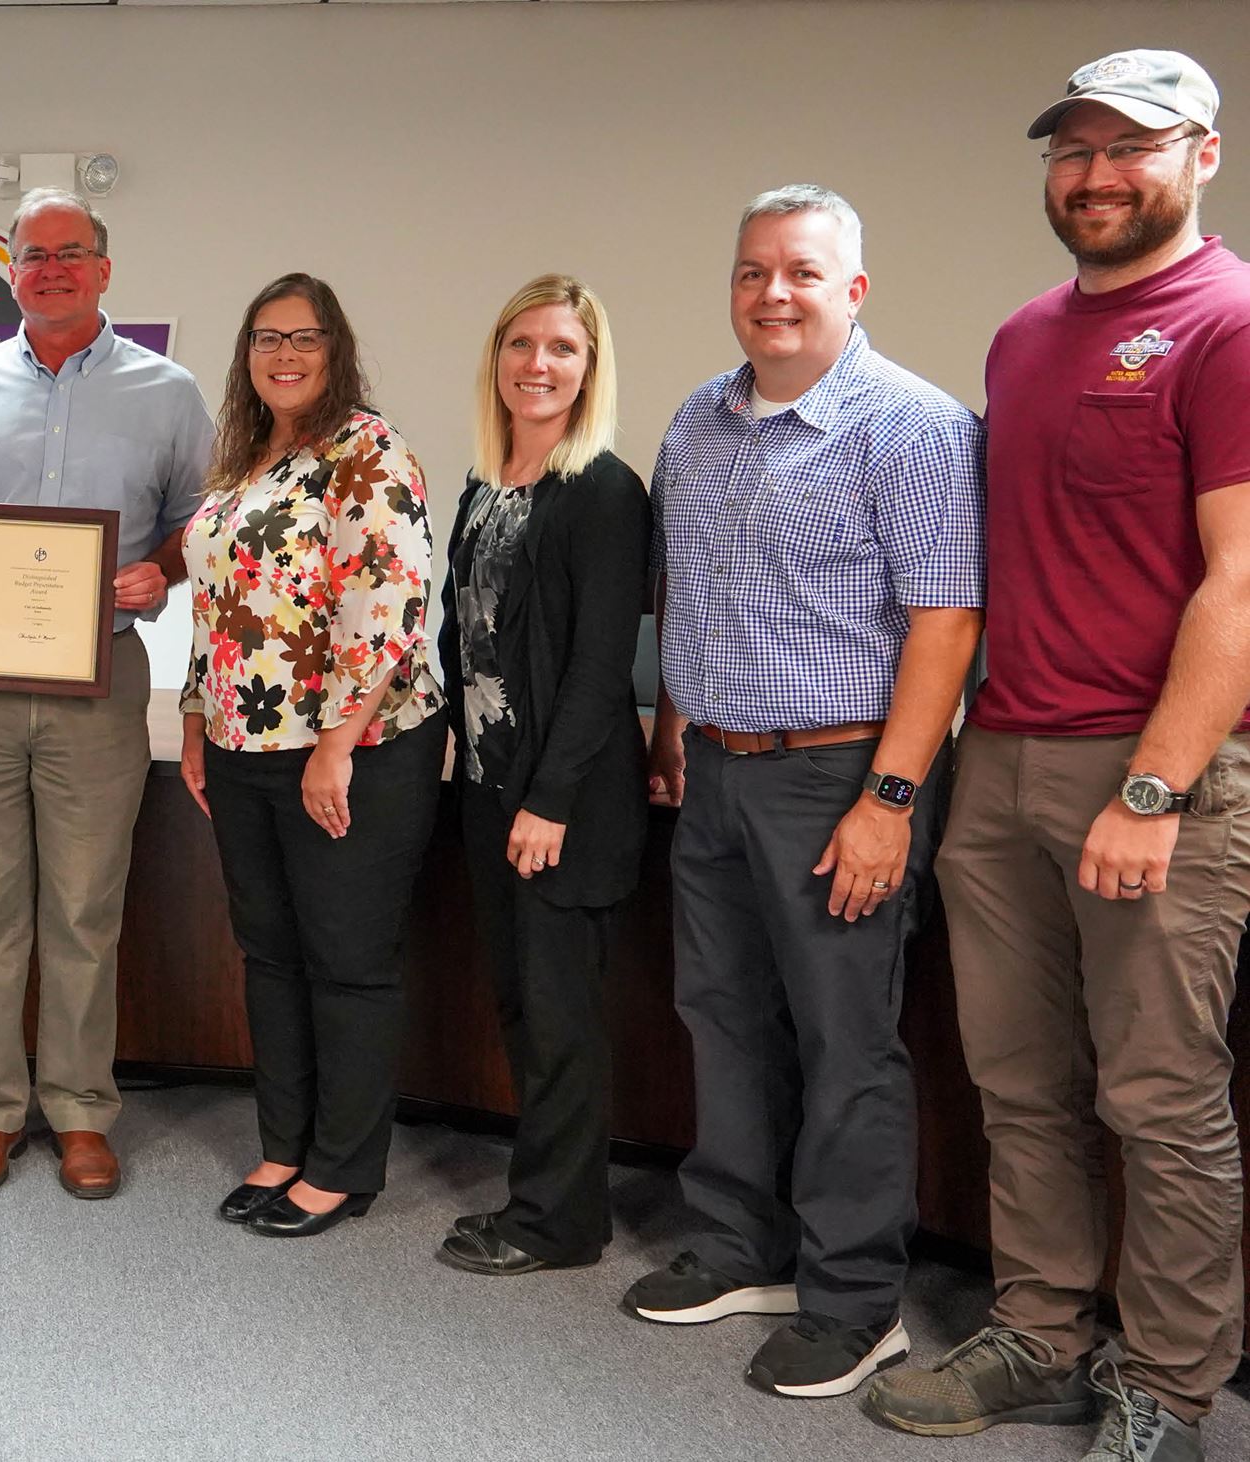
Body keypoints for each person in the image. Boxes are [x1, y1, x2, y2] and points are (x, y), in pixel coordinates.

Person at [863, 51, 1248, 1462]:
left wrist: (1156, 788)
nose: (1094, 172)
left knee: (1157, 1095)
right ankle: (1042, 1328)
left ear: (1201, 155)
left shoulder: (1231, 320)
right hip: (1004, 760)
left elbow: (1242, 580)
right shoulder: (1023, 336)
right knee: (1018, 1079)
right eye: (1072, 148)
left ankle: (1172, 1383)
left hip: (1152, 777)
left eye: (1128, 146)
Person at [631, 185, 984, 1400]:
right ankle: (743, 1244)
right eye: (749, 273)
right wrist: (675, 731)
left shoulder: (913, 427)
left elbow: (946, 623)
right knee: (720, 1015)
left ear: (852, 288)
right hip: (718, 769)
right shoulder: (696, 419)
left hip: (841, 773)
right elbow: (683, 593)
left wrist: (888, 798)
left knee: (845, 1043)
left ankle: (851, 1299)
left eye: (797, 271)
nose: (770, 293)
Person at [0, 188, 211, 1200]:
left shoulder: (166, 392)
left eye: (69, 253)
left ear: (103, 268)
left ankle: (79, 1110)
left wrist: (160, 574)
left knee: (84, 906)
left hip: (101, 678)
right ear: (9, 272)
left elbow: (195, 524)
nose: (50, 269)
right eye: (32, 255)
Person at [178, 273, 446, 1239]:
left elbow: (389, 607)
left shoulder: (367, 454)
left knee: (346, 962)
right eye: (265, 339)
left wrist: (335, 746)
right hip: (244, 743)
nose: (283, 355)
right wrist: (194, 721)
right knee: (271, 958)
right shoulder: (245, 459)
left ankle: (343, 1165)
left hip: (351, 751)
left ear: (336, 351)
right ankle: (284, 1145)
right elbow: (216, 608)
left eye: (304, 338)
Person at [433, 275, 649, 1278]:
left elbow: (602, 667)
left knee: (560, 1013)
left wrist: (548, 801)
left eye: (561, 348)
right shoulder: (487, 483)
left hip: (560, 801)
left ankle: (559, 1222)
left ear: (588, 367)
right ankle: (546, 1197)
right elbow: (465, 636)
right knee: (520, 1002)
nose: (536, 364)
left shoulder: (600, 489)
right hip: (486, 785)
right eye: (520, 344)